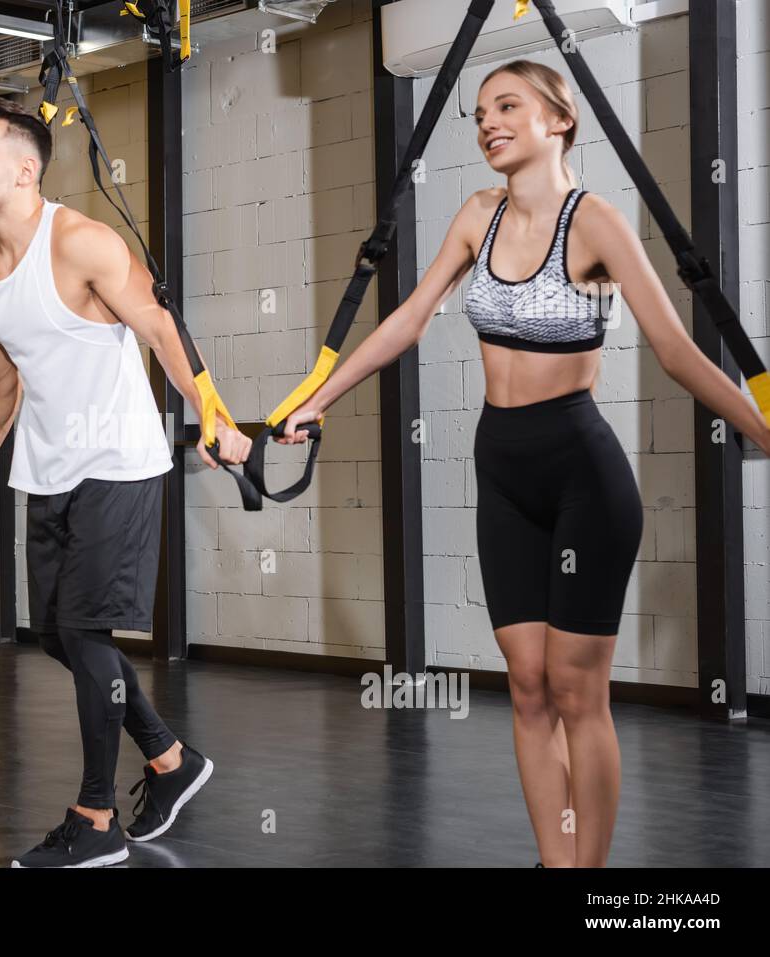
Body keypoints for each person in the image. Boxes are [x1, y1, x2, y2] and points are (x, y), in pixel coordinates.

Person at [275, 60, 770, 867]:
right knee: (529, 686)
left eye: (507, 106)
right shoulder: (478, 215)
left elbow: (678, 352)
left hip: (583, 474)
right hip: (500, 468)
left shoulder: (597, 223)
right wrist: (321, 397)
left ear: (559, 120)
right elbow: (407, 319)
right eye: (479, 114)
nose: (487, 123)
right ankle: (554, 861)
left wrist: (764, 429)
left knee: (580, 691)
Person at [0, 97, 252, 868]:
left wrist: (214, 415)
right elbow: (0, 379)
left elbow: (158, 326)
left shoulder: (79, 241)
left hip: (118, 458)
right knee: (56, 633)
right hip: (48, 469)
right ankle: (171, 760)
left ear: (25, 169)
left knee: (83, 630)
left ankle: (97, 815)